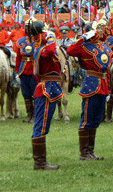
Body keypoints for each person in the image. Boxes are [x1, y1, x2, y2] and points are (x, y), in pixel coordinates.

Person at [67, 19, 112, 161]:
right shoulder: (84, 46)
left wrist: (109, 88)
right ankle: (84, 152)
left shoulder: (105, 47)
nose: (100, 30)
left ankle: (91, 151)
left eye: (102, 28)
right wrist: (82, 38)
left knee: (97, 119)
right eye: (97, 28)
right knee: (87, 118)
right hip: (91, 84)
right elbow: (70, 51)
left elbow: (107, 70)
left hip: (103, 84)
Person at [30, 19, 63, 170]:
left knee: (44, 126)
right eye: (44, 32)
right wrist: (51, 37)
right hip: (45, 89)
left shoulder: (42, 47)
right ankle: (40, 162)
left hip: (50, 87)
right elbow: (50, 51)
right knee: (40, 126)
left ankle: (41, 162)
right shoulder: (41, 49)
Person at [14, 20, 37, 123]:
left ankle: (35, 116)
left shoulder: (38, 40)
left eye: (30, 27)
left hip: (34, 71)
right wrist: (17, 71)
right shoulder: (21, 41)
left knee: (34, 94)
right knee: (26, 94)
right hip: (23, 71)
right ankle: (29, 115)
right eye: (27, 27)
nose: (28, 30)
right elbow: (18, 58)